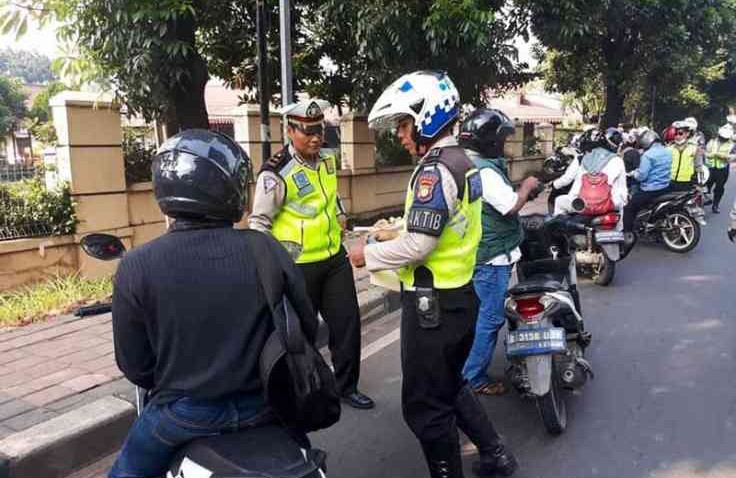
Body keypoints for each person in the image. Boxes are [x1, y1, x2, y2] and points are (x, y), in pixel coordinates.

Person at [108, 130, 321, 478]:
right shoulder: (265, 248)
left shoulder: (137, 265)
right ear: (231, 189)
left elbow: (135, 366)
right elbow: (306, 327)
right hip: (266, 406)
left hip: (182, 414)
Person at [348, 71, 517, 478]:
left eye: (404, 125)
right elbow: (449, 227)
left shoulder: (434, 171)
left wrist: (367, 252)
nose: (401, 135)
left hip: (433, 308)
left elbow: (420, 246)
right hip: (459, 297)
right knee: (450, 385)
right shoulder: (467, 162)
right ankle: (495, 455)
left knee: (425, 409)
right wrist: (398, 231)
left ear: (427, 117)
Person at [248, 99, 374, 410]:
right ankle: (302, 389)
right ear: (290, 131)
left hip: (333, 259)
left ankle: (347, 386)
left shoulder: (328, 159)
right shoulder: (275, 172)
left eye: (319, 130)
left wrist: (343, 219)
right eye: (307, 132)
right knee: (300, 334)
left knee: (347, 325)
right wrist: (268, 267)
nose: (316, 137)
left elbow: (331, 197)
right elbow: (259, 223)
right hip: (297, 267)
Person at [457, 108, 539, 396]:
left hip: (484, 250)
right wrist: (527, 186)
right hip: (492, 256)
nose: (504, 145)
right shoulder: (484, 170)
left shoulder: (471, 162)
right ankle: (474, 378)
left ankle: (466, 368)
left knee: (479, 315)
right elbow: (508, 206)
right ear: (490, 141)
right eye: (501, 140)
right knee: (490, 318)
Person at [553, 127, 628, 220]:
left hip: (582, 204)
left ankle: (559, 231)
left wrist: (554, 185)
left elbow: (567, 179)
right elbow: (623, 189)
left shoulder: (582, 158)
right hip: (611, 204)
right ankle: (620, 230)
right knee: (622, 206)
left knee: (559, 201)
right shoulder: (618, 160)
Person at [623, 130, 672, 233]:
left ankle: (627, 234)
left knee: (629, 208)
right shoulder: (667, 151)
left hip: (650, 189)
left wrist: (633, 174)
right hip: (665, 187)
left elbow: (642, 176)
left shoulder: (648, 155)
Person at [705, 124, 736, 213]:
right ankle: (706, 199)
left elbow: (733, 157)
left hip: (722, 169)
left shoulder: (732, 145)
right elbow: (706, 152)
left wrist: (722, 156)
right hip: (710, 168)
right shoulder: (712, 141)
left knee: (719, 188)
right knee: (705, 186)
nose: (723, 139)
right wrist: (709, 155)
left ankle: (715, 205)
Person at [667, 120, 700, 191]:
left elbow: (699, 167)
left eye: (680, 133)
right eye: (675, 133)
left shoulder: (694, 149)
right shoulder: (669, 149)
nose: (677, 136)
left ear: (687, 134)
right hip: (670, 182)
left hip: (687, 183)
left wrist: (699, 184)